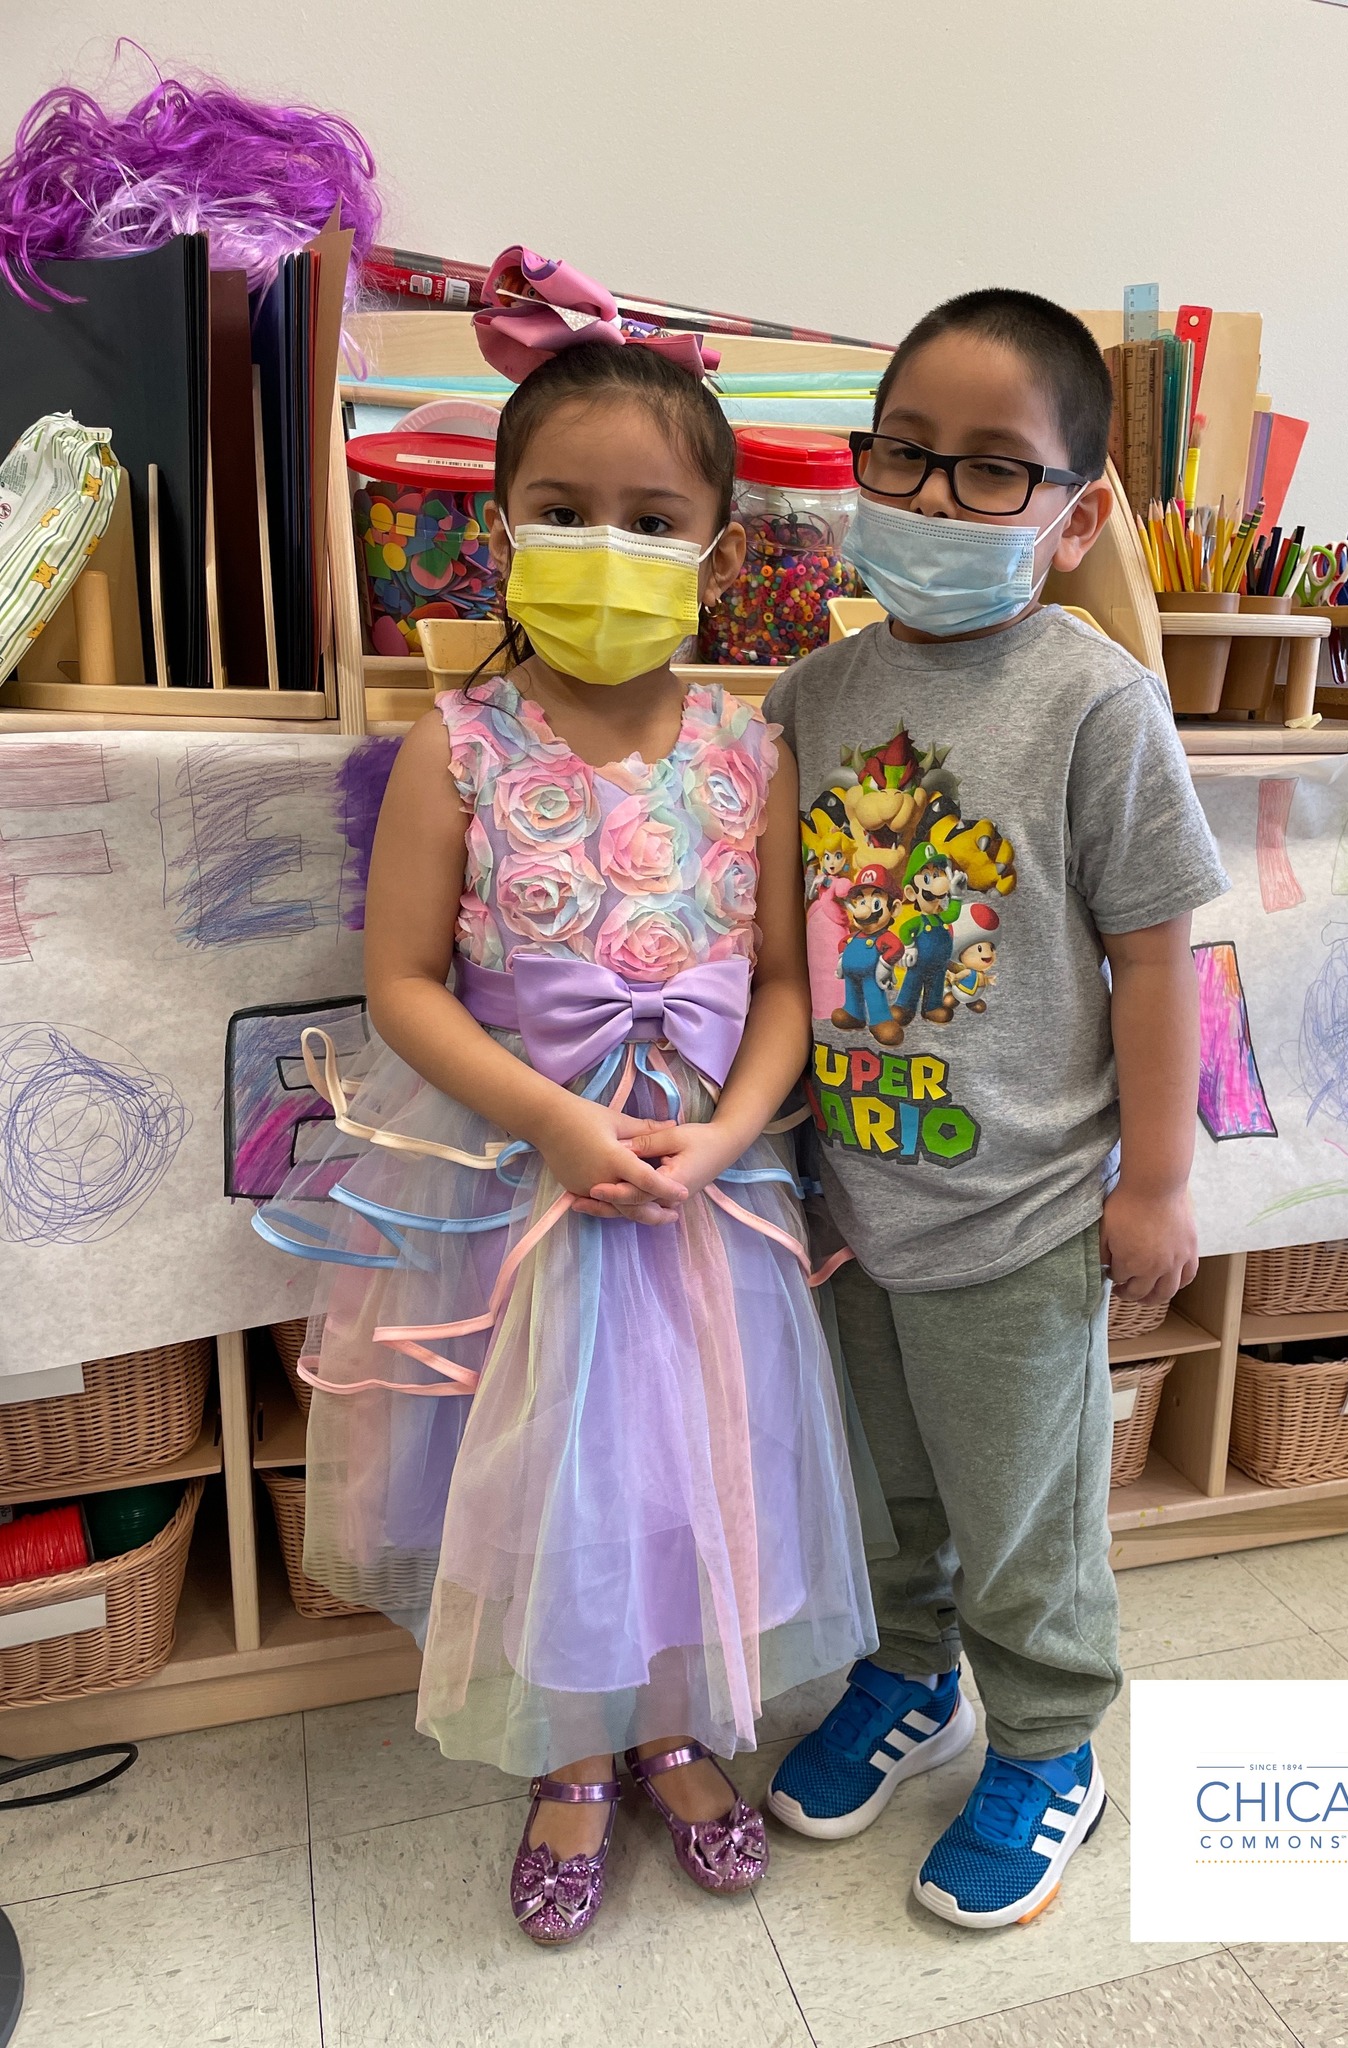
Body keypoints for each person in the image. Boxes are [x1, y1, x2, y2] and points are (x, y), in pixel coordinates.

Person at [255, 333, 874, 1947]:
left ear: (718, 546)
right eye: (565, 508)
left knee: (693, 1473)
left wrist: (733, 1131)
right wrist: (555, 1119)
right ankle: (574, 1753)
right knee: (553, 1480)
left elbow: (792, 982)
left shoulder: (757, 752)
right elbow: (400, 981)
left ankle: (676, 1720)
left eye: (655, 517)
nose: (612, 546)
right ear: (504, 524)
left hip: (709, 1194)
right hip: (522, 1183)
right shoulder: (459, 749)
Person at [764, 289, 1230, 1929]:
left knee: (1024, 1511)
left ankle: (1046, 1741)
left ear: (1079, 510)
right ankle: (910, 1675)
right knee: (888, 1485)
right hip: (852, 1200)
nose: (937, 499)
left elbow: (1159, 957)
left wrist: (1155, 1181)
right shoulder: (811, 699)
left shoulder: (1096, 701)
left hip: (1026, 1214)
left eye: (991, 471)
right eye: (907, 457)